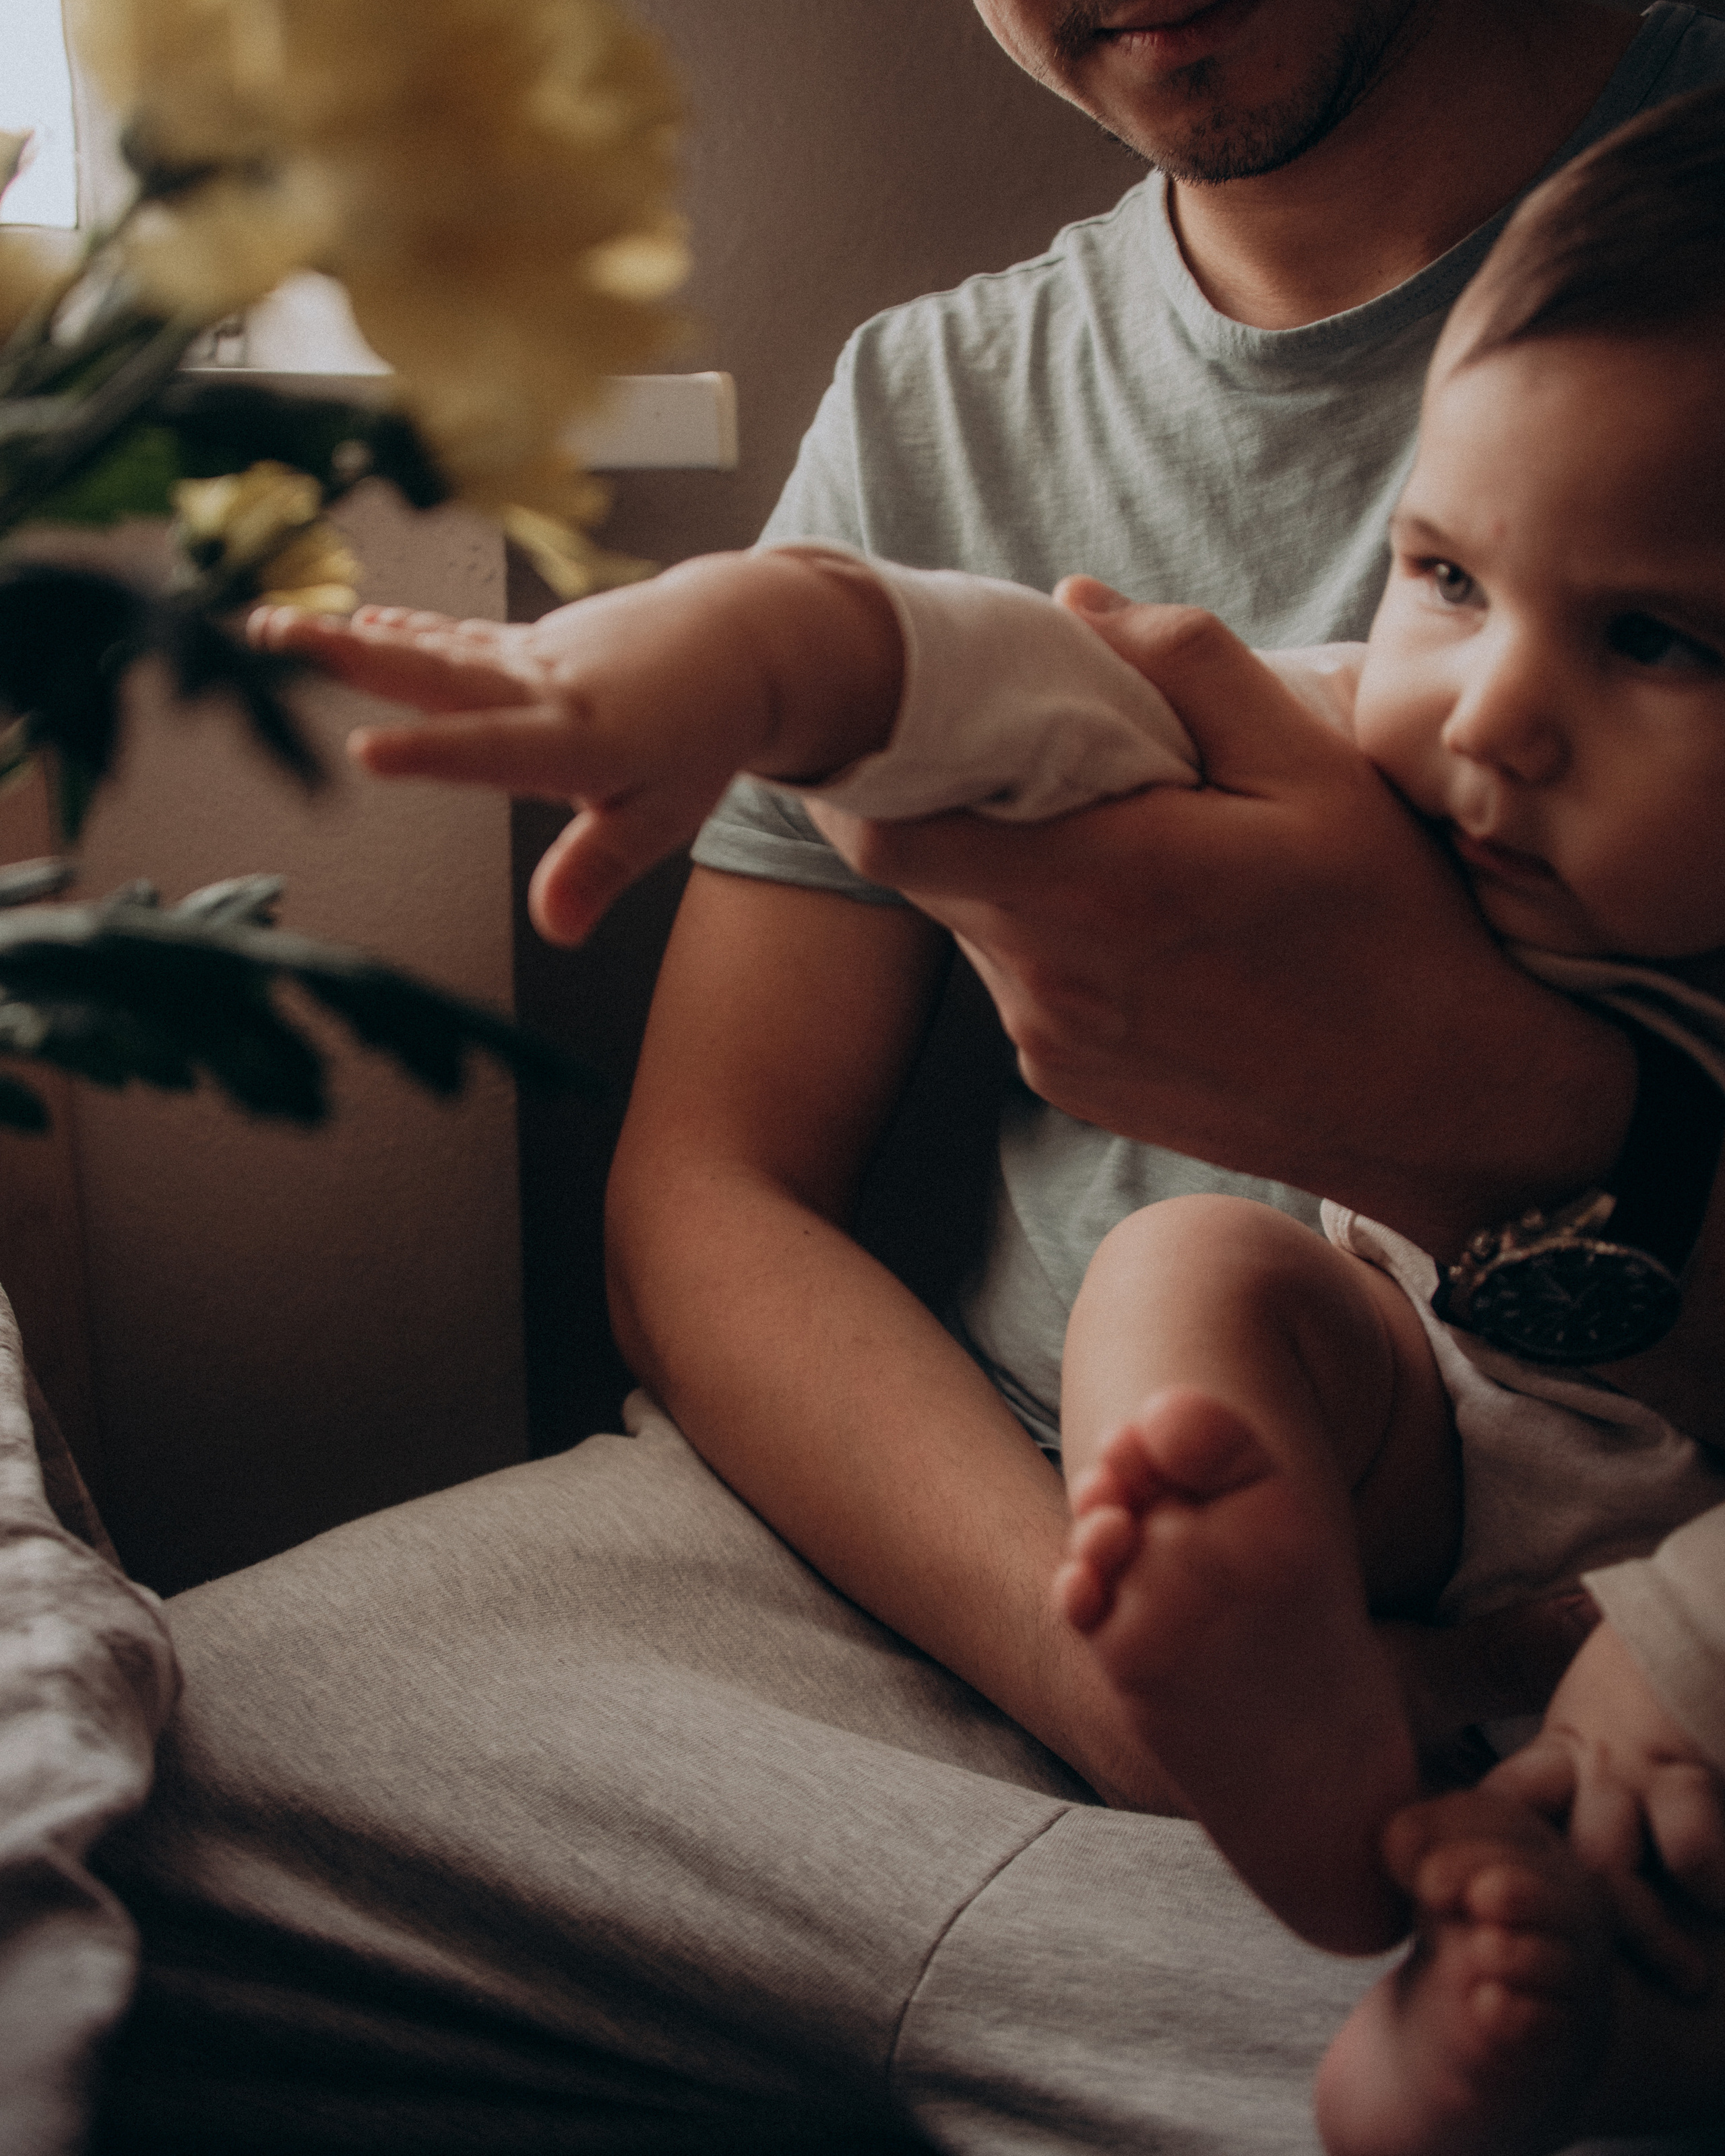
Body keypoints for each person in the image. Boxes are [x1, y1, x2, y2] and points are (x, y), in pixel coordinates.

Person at [84, 5, 1725, 2153]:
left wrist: (1476, 1120)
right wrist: (1114, 1672)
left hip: (1610, 1660)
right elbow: (719, 1181)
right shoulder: (950, 395)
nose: (1496, 716)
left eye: (1657, 643)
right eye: (1442, 579)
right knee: (98, 1824)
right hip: (1012, 1579)